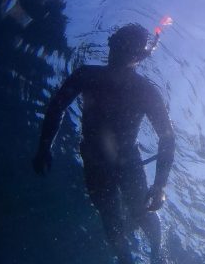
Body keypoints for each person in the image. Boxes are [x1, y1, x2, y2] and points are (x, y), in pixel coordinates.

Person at [32, 23, 175, 264]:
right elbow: (56, 107)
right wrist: (44, 147)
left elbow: (167, 138)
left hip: (120, 159)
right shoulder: (89, 76)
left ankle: (155, 256)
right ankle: (127, 258)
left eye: (126, 48)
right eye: (119, 45)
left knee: (135, 213)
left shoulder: (133, 88)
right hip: (99, 159)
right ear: (112, 45)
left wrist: (160, 186)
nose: (120, 52)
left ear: (138, 55)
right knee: (112, 215)